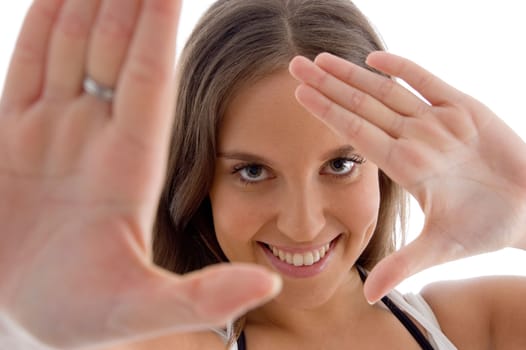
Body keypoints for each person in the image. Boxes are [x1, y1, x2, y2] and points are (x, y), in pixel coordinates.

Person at [0, 0, 525, 349]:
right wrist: (23, 322)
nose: (302, 225)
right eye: (252, 171)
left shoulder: (479, 324)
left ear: (384, 170)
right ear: (198, 180)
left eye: (339, 165)